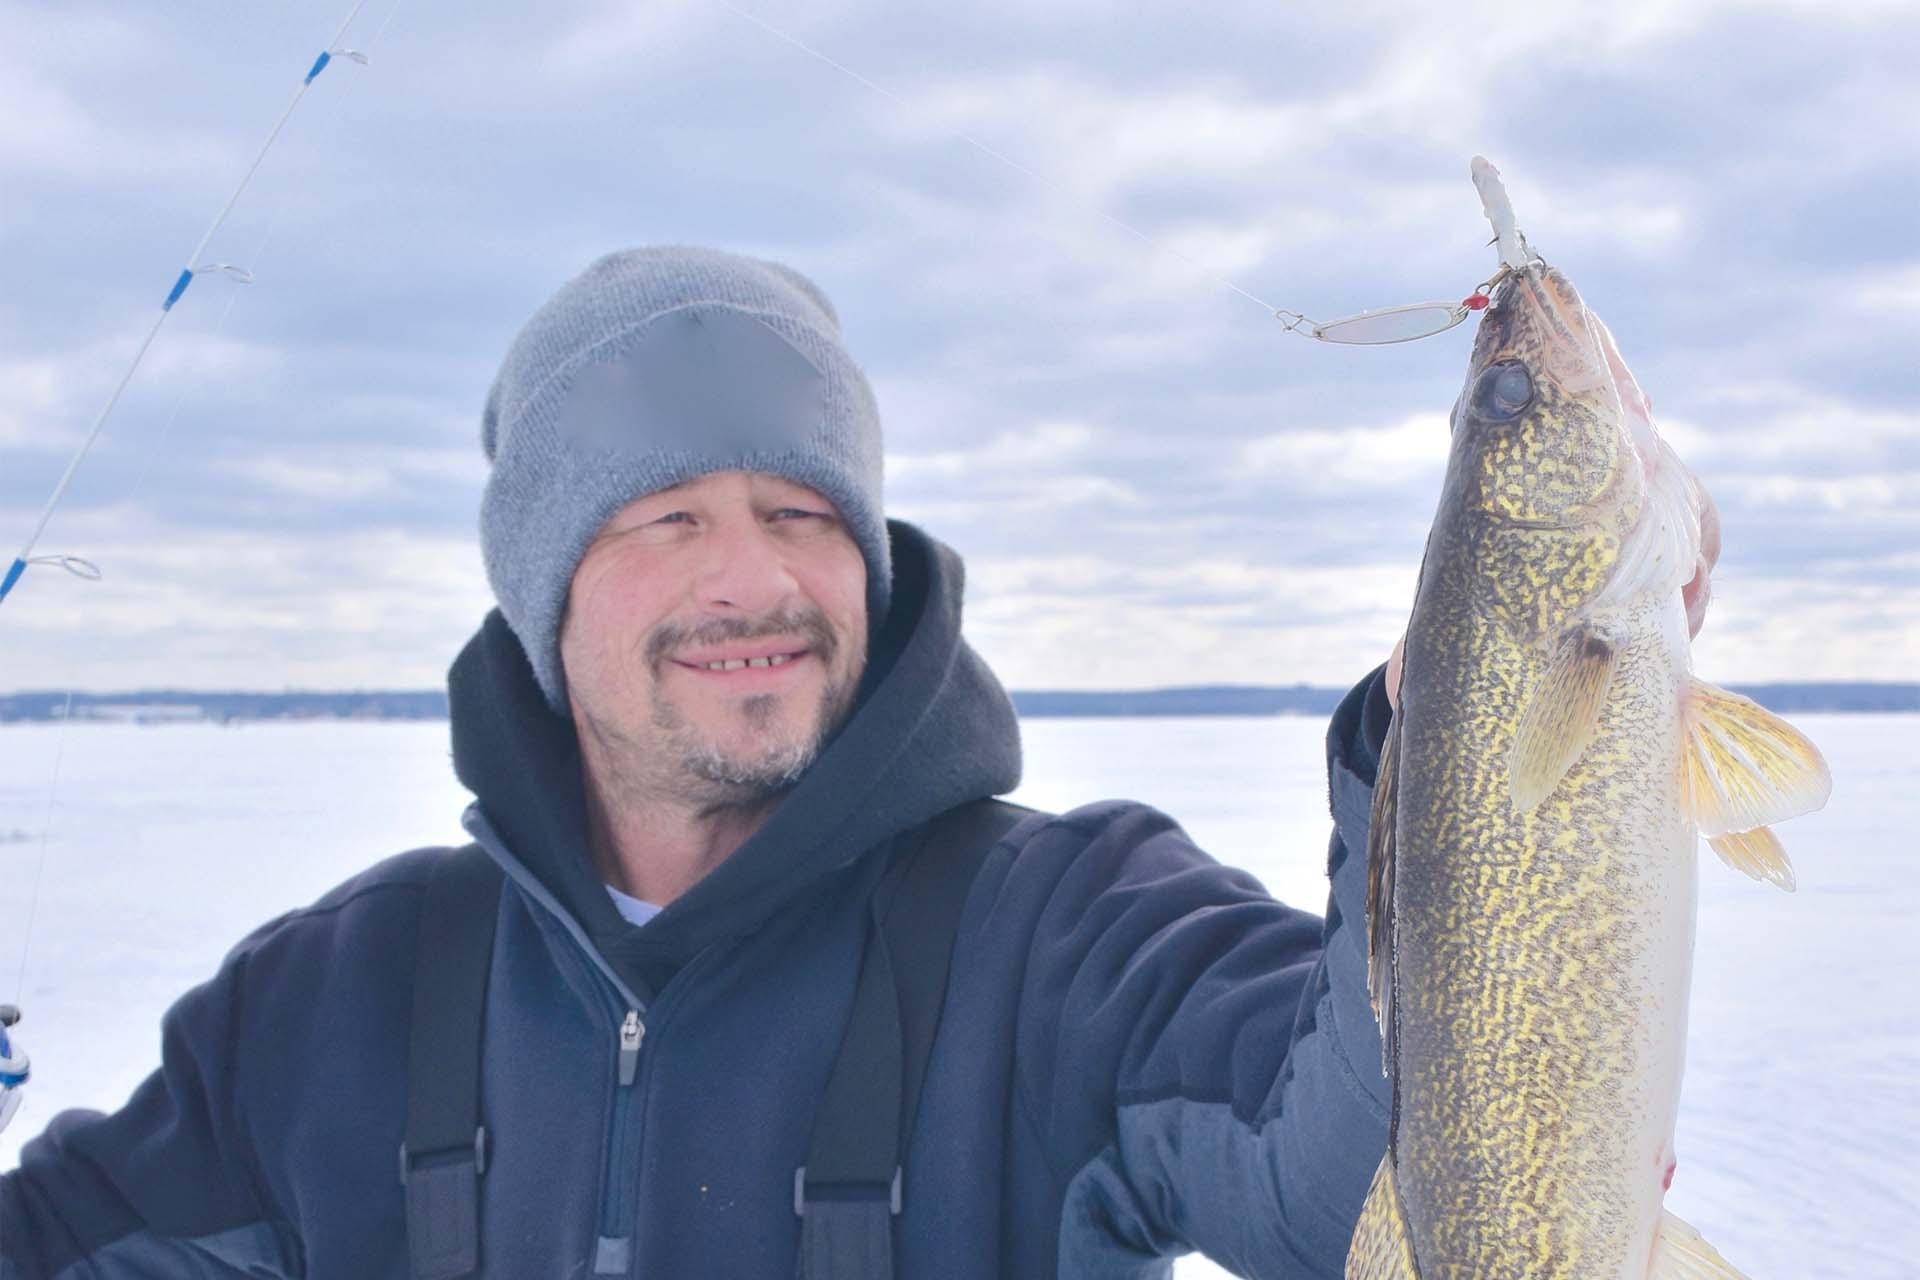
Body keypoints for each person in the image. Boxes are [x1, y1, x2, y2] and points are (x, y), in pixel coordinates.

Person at [0, 246, 1713, 1278]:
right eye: (666, 520)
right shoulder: (336, 1000)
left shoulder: (1069, 936)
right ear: (542, 590)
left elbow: (1348, 1178)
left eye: (801, 512)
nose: (750, 581)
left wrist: (1461, 745)